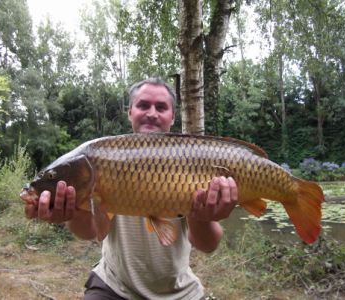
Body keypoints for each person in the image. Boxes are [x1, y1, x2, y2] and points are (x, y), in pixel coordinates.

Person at [23, 78, 239, 300]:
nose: (152, 113)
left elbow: (208, 244)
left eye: (161, 107)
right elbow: (89, 232)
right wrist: (72, 211)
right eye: (143, 105)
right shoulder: (101, 158)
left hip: (179, 292)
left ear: (173, 117)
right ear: (130, 113)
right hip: (114, 287)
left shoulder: (190, 159)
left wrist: (202, 216)